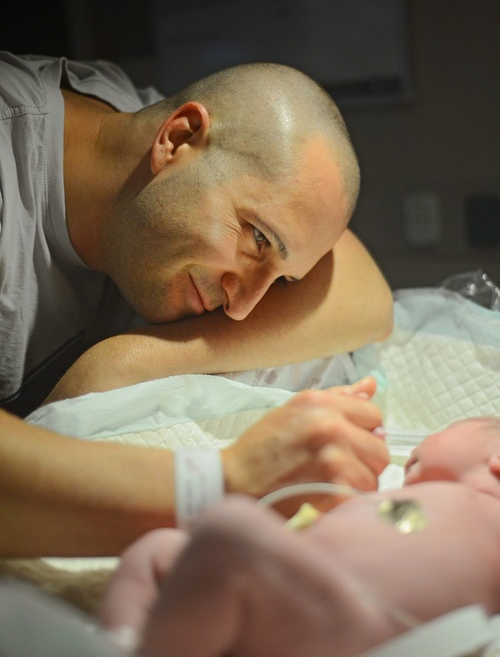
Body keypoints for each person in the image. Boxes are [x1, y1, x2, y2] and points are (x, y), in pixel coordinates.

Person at [0, 51, 391, 555]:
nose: (242, 311)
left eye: (283, 281)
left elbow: (367, 294)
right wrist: (223, 484)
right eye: (257, 239)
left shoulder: (141, 124)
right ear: (176, 138)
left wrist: (134, 358)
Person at [98, 417, 500, 656]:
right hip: (288, 599)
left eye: (445, 430)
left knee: (229, 530)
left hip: (354, 627)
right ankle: (123, 640)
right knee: (158, 547)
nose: (421, 443)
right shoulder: (410, 499)